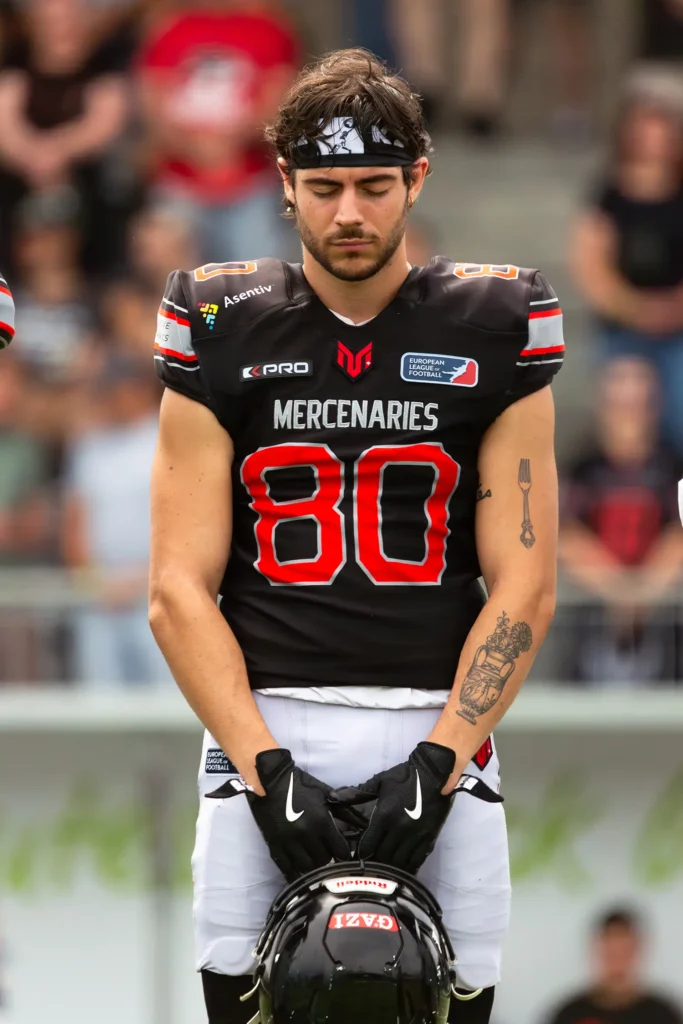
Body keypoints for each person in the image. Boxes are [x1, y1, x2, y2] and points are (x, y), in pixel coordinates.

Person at [149, 48, 563, 1024]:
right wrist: (263, 770)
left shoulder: (495, 319)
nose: (348, 212)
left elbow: (525, 582)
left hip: (439, 717)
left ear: (416, 178)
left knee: (450, 1002)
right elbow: (174, 589)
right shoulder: (218, 317)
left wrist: (440, 761)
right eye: (324, 186)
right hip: (262, 714)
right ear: (283, 184)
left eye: (373, 186)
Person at [135, 0, 299, 264]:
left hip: (252, 185)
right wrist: (197, 146)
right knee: (164, 256)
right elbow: (152, 105)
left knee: (264, 276)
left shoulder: (269, 29)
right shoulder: (168, 28)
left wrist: (229, 141)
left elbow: (280, 105)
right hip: (180, 183)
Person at [571, 78, 683, 454]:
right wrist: (636, 310)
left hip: (679, 328)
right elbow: (591, 263)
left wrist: (672, 310)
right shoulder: (608, 194)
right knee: (623, 426)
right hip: (621, 327)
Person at [559, 357, 683, 685]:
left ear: (655, 407)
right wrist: (617, 590)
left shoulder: (673, 465)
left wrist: (646, 590)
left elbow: (679, 534)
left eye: (638, 405)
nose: (628, 416)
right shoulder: (582, 465)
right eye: (619, 405)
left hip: (663, 614)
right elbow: (564, 535)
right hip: (593, 612)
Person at [0, 0, 131, 278]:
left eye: (68, 18)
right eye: (51, 20)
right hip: (21, 174)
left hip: (85, 175)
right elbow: (5, 124)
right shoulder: (15, 63)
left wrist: (56, 153)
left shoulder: (105, 65)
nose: (60, 27)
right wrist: (33, 156)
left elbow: (102, 124)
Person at [63, 355, 170, 686]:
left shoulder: (167, 437)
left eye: (120, 389)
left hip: (158, 592)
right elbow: (75, 521)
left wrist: (145, 580)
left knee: (166, 696)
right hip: (100, 597)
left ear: (141, 389)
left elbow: (185, 522)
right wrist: (93, 583)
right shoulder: (90, 445)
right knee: (99, 695)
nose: (113, 398)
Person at [544, 908, 682, 1024]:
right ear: (596, 950)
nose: (618, 961)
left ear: (639, 950)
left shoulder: (662, 1015)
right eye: (611, 952)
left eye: (625, 951)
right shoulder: (569, 1014)